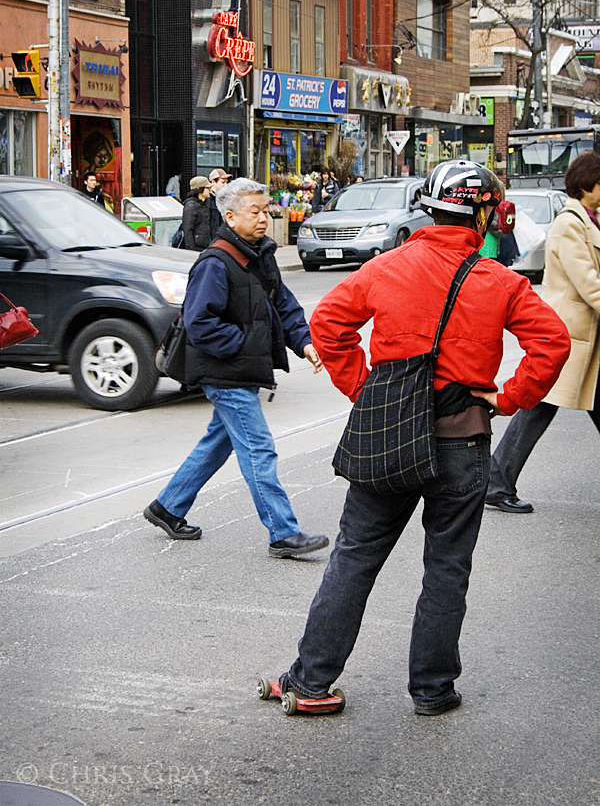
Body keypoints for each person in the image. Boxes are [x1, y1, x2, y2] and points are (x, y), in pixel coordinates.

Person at [276, 159, 570, 716]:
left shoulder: (389, 266)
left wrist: (363, 389)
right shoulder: (500, 281)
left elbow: (329, 324)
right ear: (483, 215)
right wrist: (506, 398)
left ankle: (312, 683)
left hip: (389, 437)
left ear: (430, 207)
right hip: (463, 441)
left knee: (356, 557)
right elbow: (552, 343)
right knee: (447, 567)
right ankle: (432, 690)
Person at [144, 178, 330, 559]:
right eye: (255, 212)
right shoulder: (215, 262)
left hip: (241, 369)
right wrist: (247, 344)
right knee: (259, 448)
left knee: (219, 442)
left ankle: (168, 506)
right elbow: (200, 323)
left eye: (266, 211)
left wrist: (305, 342)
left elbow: (284, 303)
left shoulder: (261, 254)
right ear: (230, 216)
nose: (264, 218)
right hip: (224, 372)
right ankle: (283, 532)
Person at [486, 149, 600, 514]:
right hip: (572, 336)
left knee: (539, 407)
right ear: (589, 186)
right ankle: (496, 481)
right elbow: (588, 283)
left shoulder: (589, 220)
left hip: (584, 336)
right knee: (536, 406)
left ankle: (496, 480)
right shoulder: (570, 223)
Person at [182, 176, 212, 252]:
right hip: (196, 248)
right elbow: (188, 229)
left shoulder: (205, 204)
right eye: (207, 188)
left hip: (205, 246)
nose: (209, 190)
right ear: (200, 189)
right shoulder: (191, 206)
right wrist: (191, 250)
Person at [207, 168, 231, 241]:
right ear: (213, 182)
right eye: (223, 182)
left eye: (227, 182)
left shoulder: (223, 198)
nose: (226, 185)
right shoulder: (208, 200)